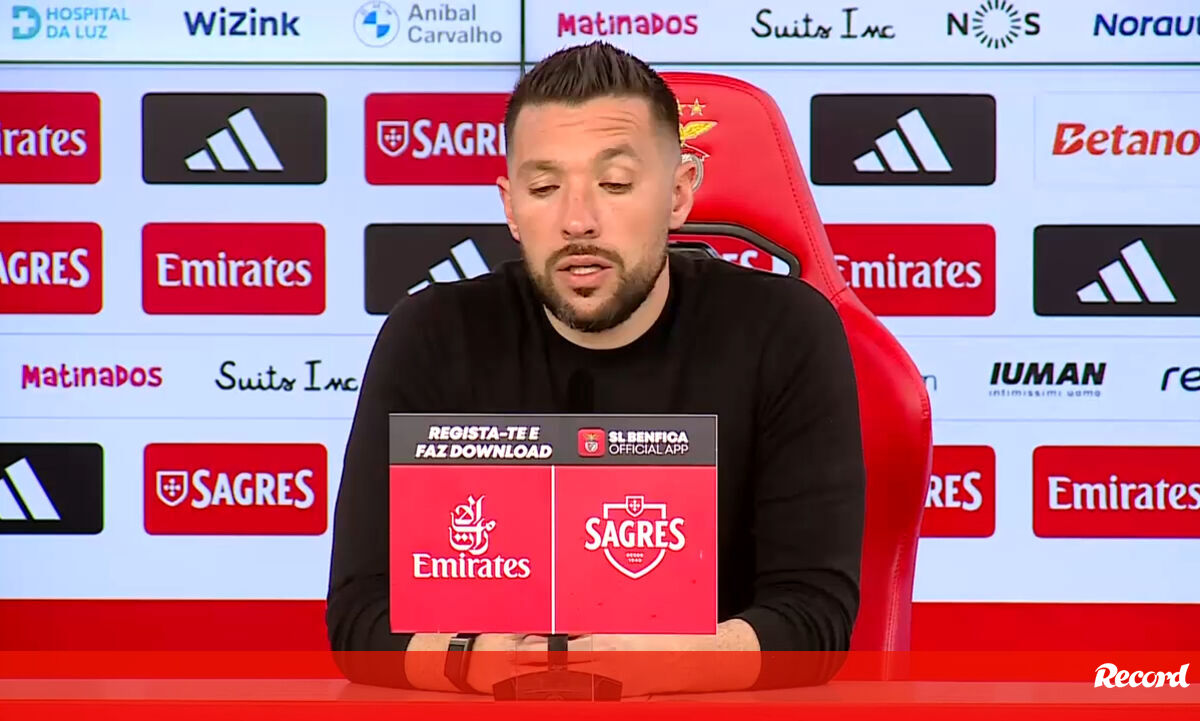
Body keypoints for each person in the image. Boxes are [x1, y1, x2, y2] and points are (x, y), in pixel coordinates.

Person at [326, 41, 866, 695]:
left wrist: (655, 661)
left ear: (678, 193)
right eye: (544, 188)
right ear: (510, 207)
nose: (578, 221)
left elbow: (813, 620)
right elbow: (360, 618)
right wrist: (473, 659)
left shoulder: (785, 330)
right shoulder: (434, 334)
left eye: (615, 184)